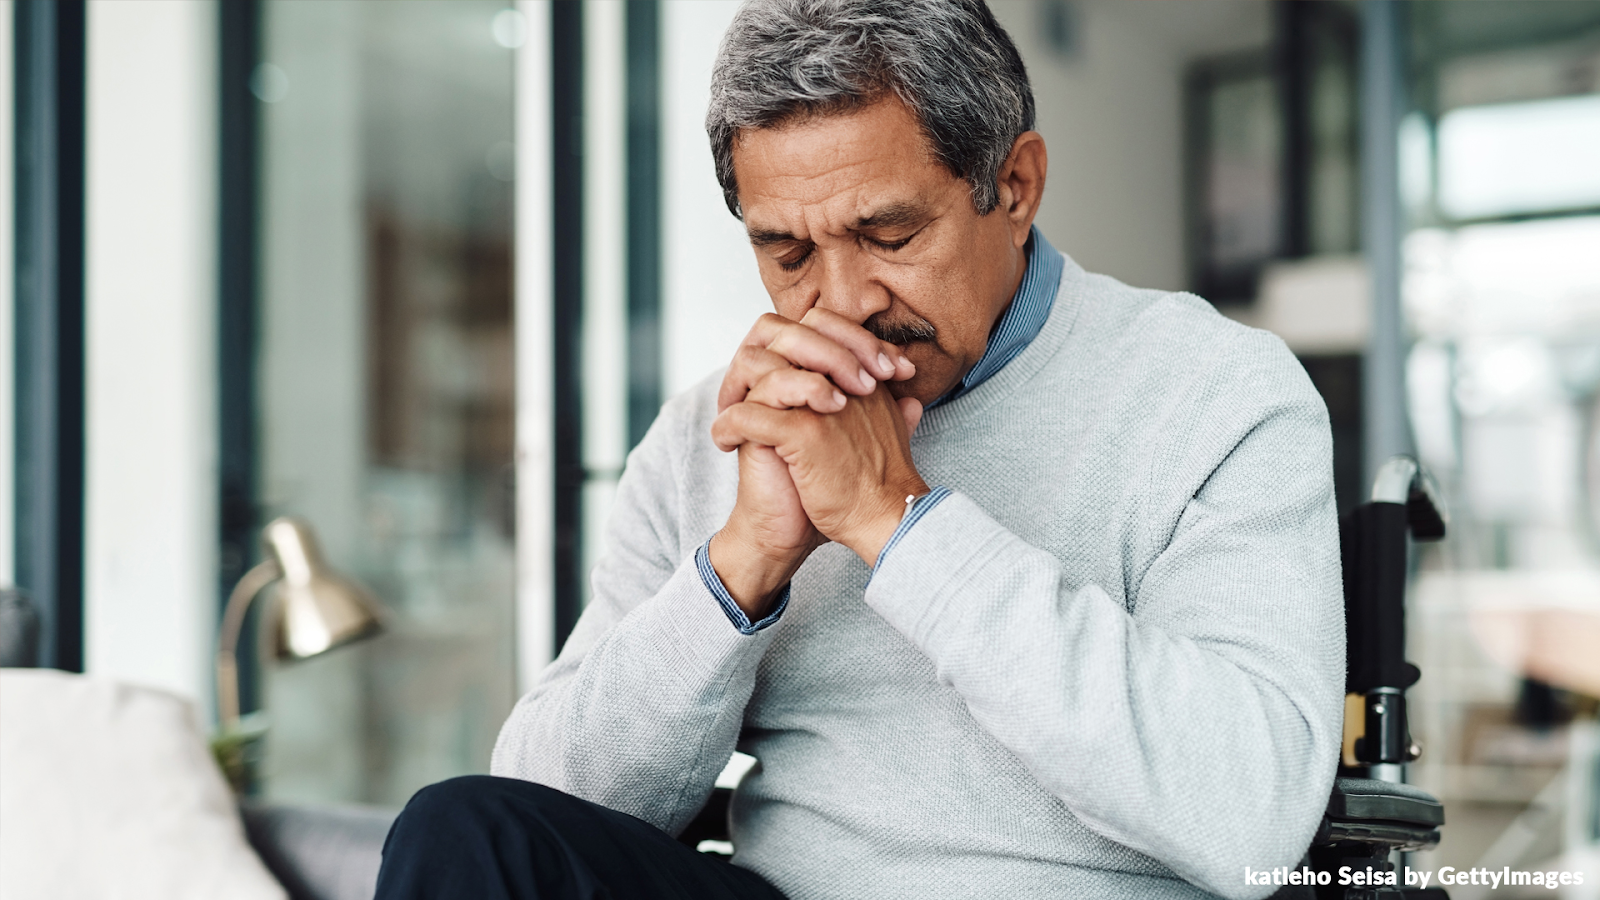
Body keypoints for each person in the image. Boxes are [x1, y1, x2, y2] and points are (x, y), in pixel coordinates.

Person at [374, 1, 1344, 898]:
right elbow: (556, 810)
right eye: (787, 252)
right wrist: (743, 563)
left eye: (886, 234)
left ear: (1013, 185)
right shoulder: (706, 434)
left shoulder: (1217, 390)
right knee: (466, 827)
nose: (841, 303)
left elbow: (1249, 812)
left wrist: (897, 522)